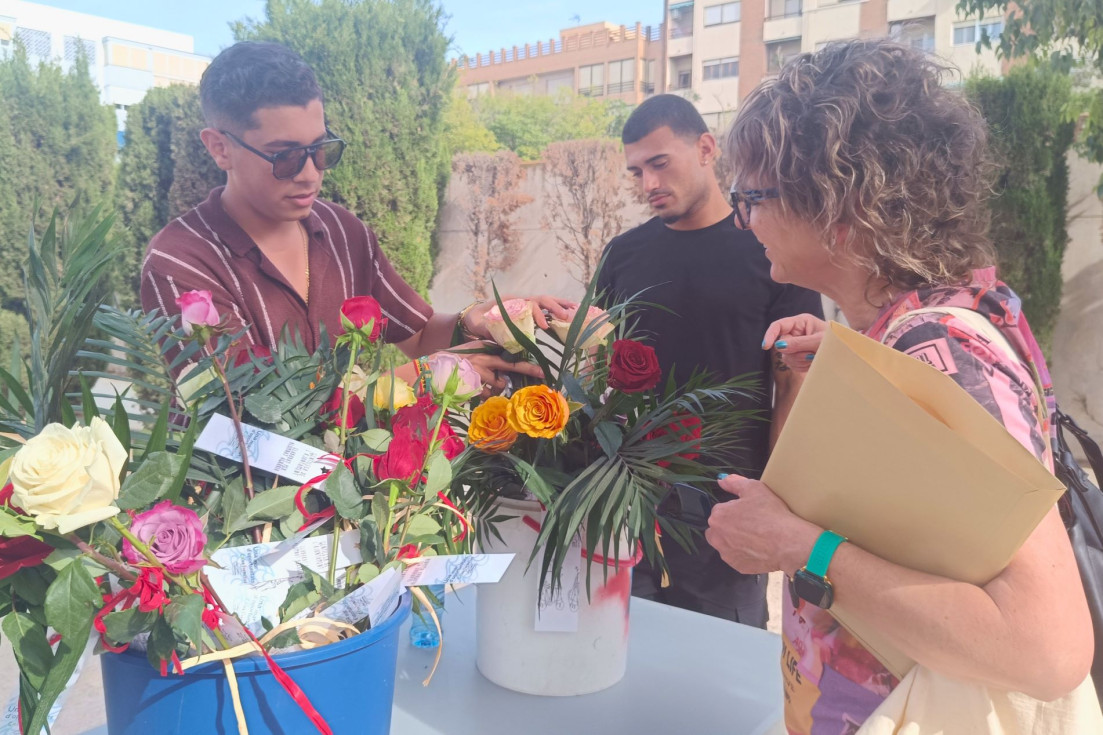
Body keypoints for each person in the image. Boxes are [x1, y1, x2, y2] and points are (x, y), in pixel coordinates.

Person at [706, 39, 1093, 732]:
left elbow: (1047, 647)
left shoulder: (939, 350)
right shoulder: (905, 335)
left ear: (838, 209)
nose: (742, 219)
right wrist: (855, 366)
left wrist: (797, 544)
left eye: (752, 198)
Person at [140, 41, 570, 392]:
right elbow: (250, 414)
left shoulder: (343, 233)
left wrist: (480, 319)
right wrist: (419, 379)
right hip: (240, 492)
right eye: (285, 157)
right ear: (219, 147)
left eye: (321, 149)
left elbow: (416, 335)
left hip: (355, 487)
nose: (310, 174)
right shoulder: (180, 263)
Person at [596, 94, 824, 626]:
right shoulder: (623, 255)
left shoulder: (769, 250)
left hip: (727, 509)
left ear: (704, 149)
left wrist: (772, 495)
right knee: (626, 655)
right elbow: (597, 367)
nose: (647, 184)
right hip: (629, 501)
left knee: (722, 677)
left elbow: (793, 384)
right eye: (636, 171)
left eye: (659, 163)